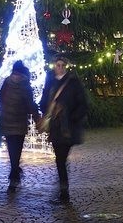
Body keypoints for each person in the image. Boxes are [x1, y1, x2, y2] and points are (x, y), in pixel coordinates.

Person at [38, 56, 90, 205]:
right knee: (60, 159)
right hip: (55, 127)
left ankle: (64, 193)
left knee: (61, 159)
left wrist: (70, 116)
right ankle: (63, 190)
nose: (59, 67)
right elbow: (43, 101)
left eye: (62, 65)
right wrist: (49, 111)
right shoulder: (50, 82)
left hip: (68, 128)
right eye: (57, 65)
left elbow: (82, 105)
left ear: (66, 66)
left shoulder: (73, 83)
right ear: (54, 66)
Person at [0, 60, 39, 191]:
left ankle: (14, 174)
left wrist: (5, 109)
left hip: (7, 121)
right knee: (17, 150)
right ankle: (14, 177)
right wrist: (36, 116)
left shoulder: (7, 82)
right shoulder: (25, 84)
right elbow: (30, 103)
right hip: (19, 122)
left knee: (11, 150)